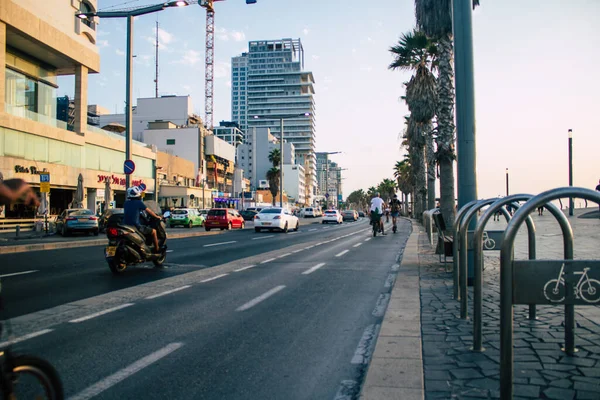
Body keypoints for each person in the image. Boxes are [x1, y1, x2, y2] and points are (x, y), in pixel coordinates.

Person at [123, 186, 162, 253]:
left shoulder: (126, 203)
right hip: (136, 226)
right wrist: (156, 216)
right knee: (154, 231)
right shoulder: (139, 203)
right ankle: (157, 249)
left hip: (126, 225)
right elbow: (149, 211)